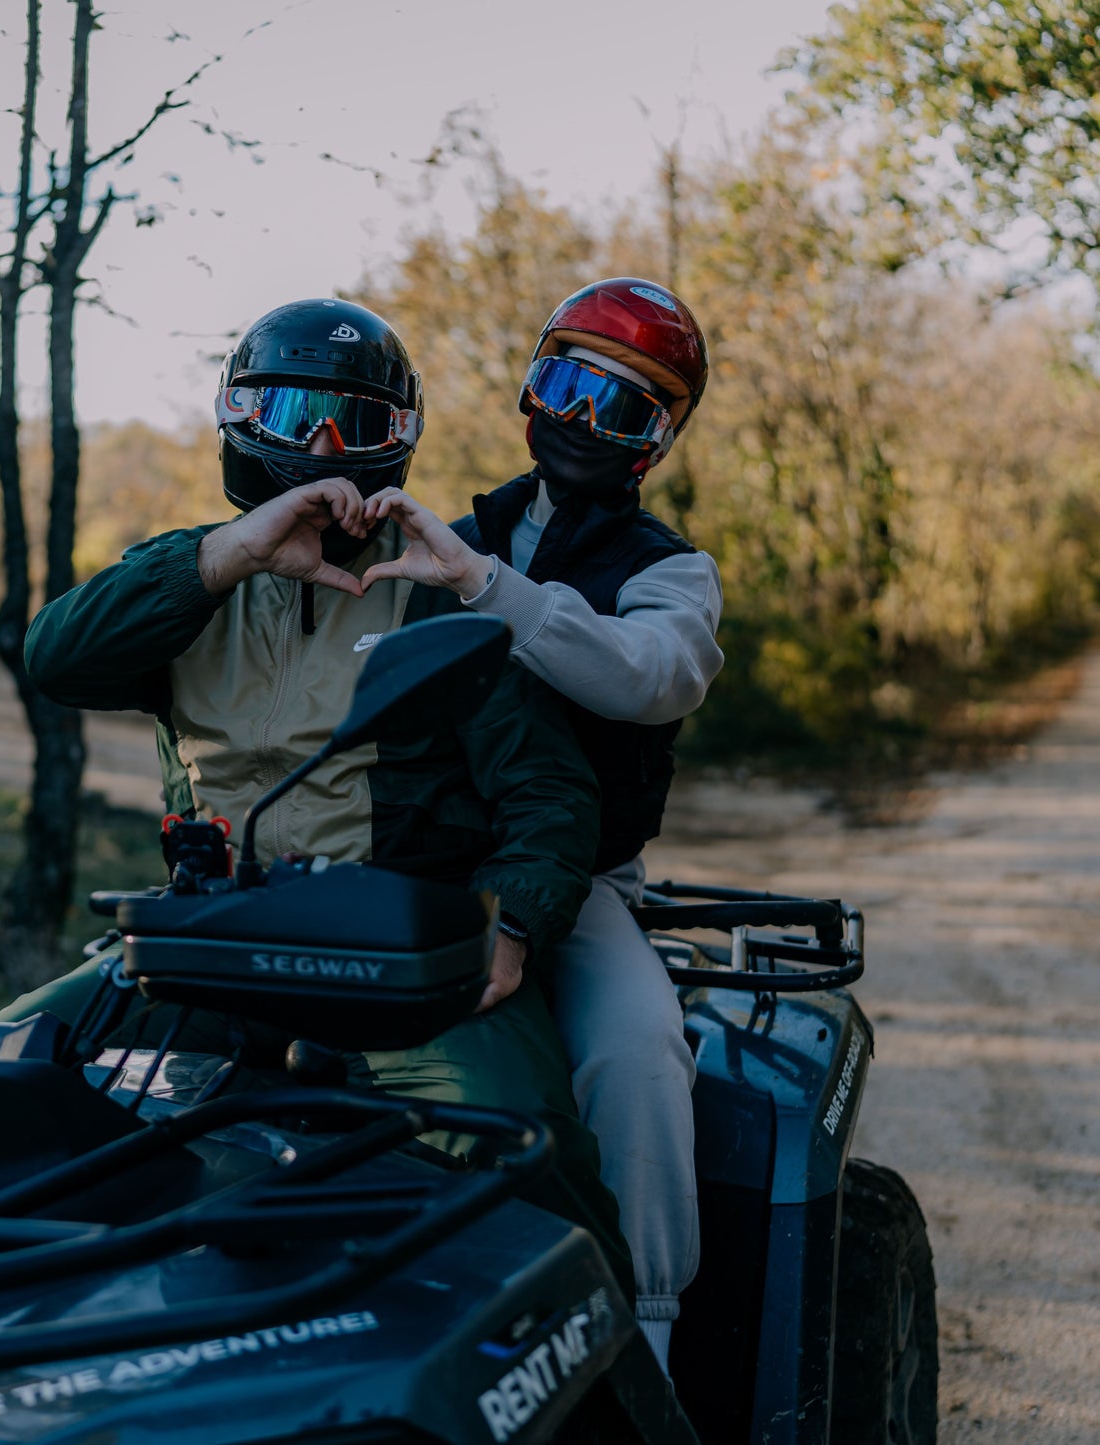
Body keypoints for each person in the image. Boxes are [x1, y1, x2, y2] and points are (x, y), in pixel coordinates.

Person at [6, 297, 635, 1293]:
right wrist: (235, 552)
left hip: (400, 961)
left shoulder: (438, 590)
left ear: (403, 441)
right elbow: (56, 657)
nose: (327, 449)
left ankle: (597, 1376)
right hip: (208, 948)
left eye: (359, 423)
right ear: (236, 417)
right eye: (295, 415)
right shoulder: (187, 582)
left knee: (522, 1146)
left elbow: (549, 792)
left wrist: (509, 924)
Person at [358, 278, 723, 1372]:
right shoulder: (447, 530)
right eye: (566, 384)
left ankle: (647, 1336)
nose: (582, 421)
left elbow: (640, 677)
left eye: (626, 407)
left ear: (657, 440)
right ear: (529, 387)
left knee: (635, 1050)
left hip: (586, 883)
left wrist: (482, 586)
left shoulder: (670, 571)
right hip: (419, 866)